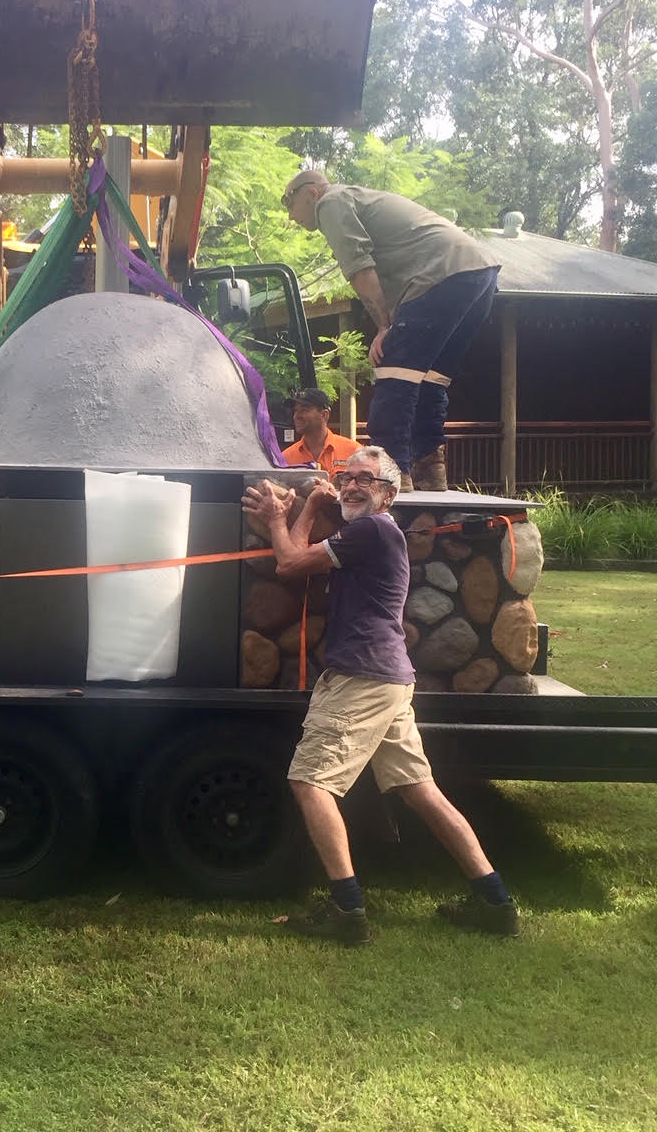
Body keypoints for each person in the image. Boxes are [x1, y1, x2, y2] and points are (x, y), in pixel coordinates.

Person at [241, 445, 519, 944]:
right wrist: (307, 510)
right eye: (346, 477)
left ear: (388, 494)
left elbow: (288, 564)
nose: (350, 484)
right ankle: (495, 901)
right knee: (421, 791)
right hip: (388, 679)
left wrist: (284, 515)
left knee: (310, 782)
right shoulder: (365, 534)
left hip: (363, 678)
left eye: (364, 479)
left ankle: (348, 911)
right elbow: (301, 559)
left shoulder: (372, 530)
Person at [281, 169, 500, 491]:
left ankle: (387, 473)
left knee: (394, 372)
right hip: (479, 274)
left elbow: (358, 267)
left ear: (311, 191)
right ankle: (430, 466)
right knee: (430, 378)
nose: (289, 214)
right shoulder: (360, 199)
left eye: (289, 201)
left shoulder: (331, 202)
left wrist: (385, 325)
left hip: (439, 275)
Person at [281, 386, 361, 475]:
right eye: (296, 411)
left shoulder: (354, 452)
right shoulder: (286, 458)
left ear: (324, 415)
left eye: (304, 410)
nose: (297, 416)